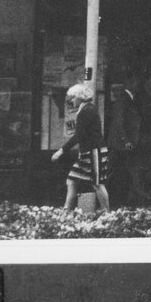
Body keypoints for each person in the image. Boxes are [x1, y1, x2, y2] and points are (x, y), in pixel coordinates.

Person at [52, 83, 110, 215]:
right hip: (87, 153)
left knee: (97, 184)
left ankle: (107, 213)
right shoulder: (86, 109)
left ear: (80, 97)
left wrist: (61, 151)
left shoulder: (86, 111)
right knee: (71, 180)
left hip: (95, 152)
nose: (71, 100)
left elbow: (78, 135)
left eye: (72, 98)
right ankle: (67, 211)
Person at [106, 79, 144, 205]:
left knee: (118, 172)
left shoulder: (126, 98)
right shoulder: (124, 99)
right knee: (114, 172)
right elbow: (119, 122)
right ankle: (111, 201)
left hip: (120, 144)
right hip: (120, 145)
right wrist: (126, 141)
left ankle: (118, 200)